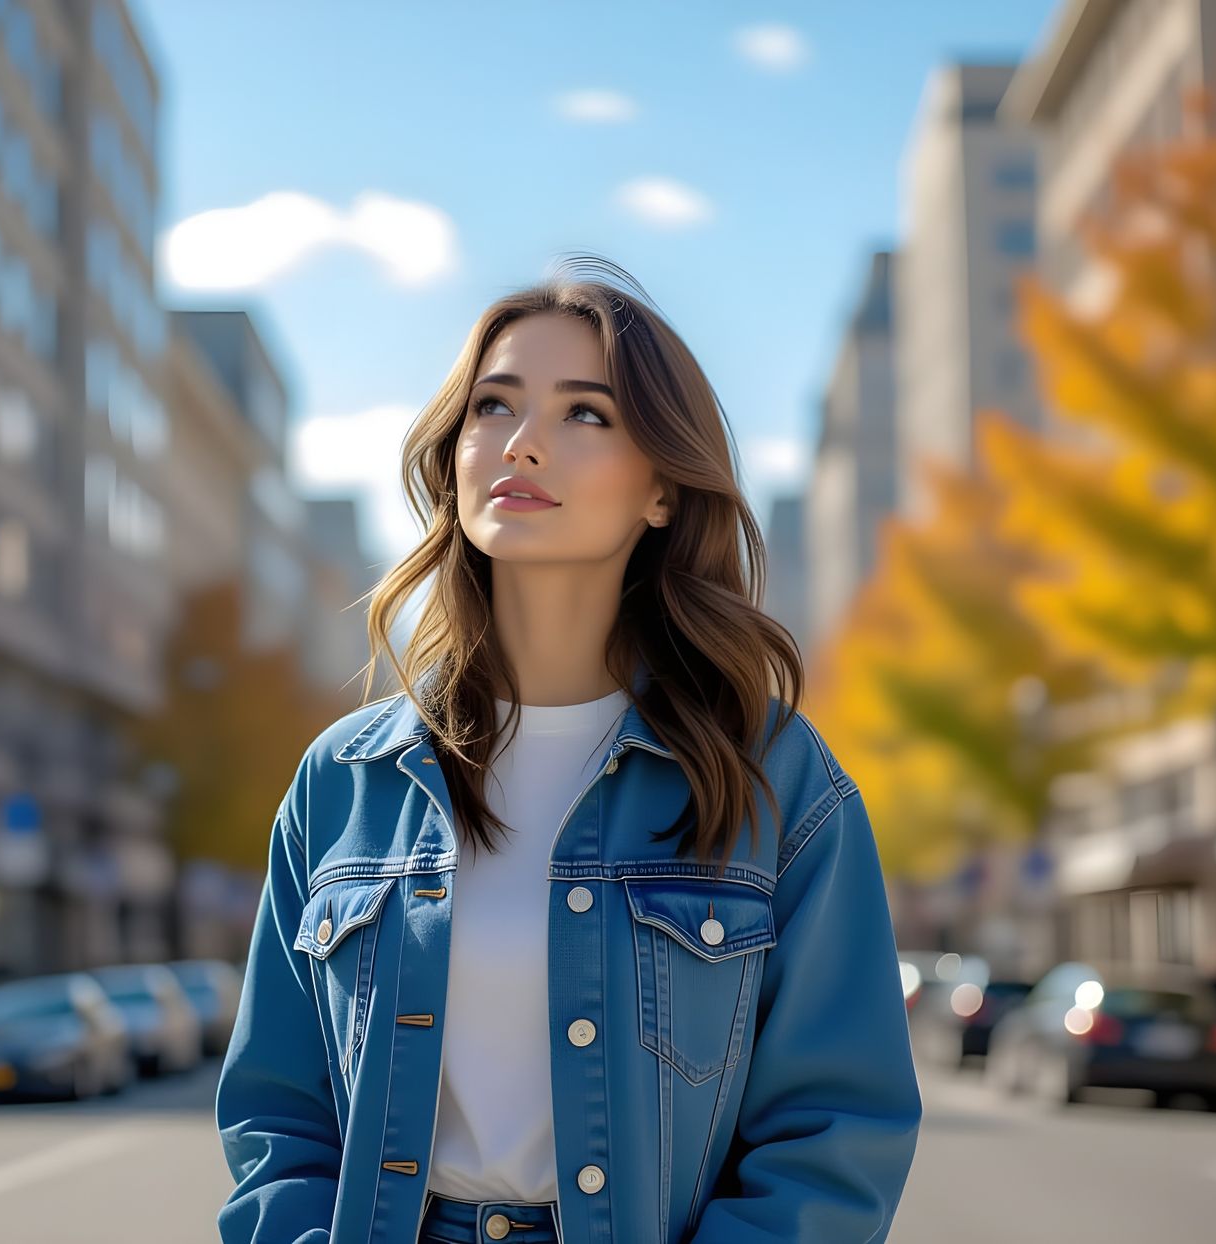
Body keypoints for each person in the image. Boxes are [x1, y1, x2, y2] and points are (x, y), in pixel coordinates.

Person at [215, 256, 923, 1244]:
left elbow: (834, 1131)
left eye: (584, 413)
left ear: (663, 491)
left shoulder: (773, 776)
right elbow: (275, 1120)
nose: (523, 443)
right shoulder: (343, 781)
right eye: (493, 407)